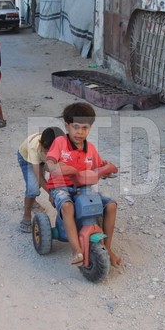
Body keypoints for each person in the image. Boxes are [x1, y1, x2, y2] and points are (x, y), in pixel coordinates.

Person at [45, 103, 119, 267]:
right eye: (75, 127)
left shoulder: (90, 148)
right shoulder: (60, 143)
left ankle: (108, 249)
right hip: (61, 187)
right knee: (68, 207)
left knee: (111, 205)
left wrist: (107, 169)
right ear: (67, 126)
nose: (79, 132)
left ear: (90, 128)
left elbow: (99, 165)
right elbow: (50, 161)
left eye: (84, 128)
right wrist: (54, 167)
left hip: (83, 188)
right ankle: (76, 250)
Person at [18, 127, 64, 232]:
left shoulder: (62, 146)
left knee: (41, 183)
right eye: (46, 151)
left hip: (41, 159)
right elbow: (38, 175)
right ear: (41, 144)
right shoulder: (34, 148)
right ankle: (26, 216)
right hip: (26, 158)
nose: (49, 154)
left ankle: (33, 202)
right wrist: (52, 193)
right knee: (33, 188)